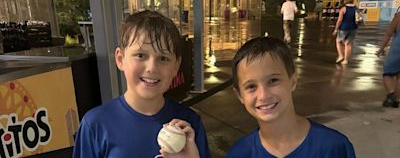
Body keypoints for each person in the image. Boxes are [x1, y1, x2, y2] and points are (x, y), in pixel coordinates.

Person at [73, 10, 210, 158]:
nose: (151, 68)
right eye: (140, 55)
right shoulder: (96, 124)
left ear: (176, 66)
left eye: (163, 58)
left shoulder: (189, 124)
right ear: (120, 59)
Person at [226, 36, 356, 158]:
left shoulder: (333, 148)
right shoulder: (239, 153)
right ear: (239, 95)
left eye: (273, 81)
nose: (263, 95)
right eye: (251, 87)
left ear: (292, 81)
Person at [376, 8, 400, 108]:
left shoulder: (399, 16)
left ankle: (391, 96)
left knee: (388, 72)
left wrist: (381, 48)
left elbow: (388, 34)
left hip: (398, 47)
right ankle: (397, 99)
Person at [332, 0, 358, 65]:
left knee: (338, 41)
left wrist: (336, 29)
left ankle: (341, 55)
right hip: (353, 28)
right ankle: (346, 60)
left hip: (344, 28)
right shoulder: (356, 9)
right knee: (348, 44)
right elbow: (359, 18)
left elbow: (340, 20)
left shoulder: (343, 9)